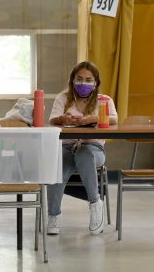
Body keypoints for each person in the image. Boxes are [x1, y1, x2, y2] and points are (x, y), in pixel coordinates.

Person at [47, 61, 118, 235]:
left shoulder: (104, 100)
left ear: (95, 82)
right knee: (57, 168)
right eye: (79, 79)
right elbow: (52, 120)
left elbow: (114, 120)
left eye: (88, 80)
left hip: (93, 149)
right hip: (67, 148)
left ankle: (95, 205)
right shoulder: (63, 98)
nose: (83, 83)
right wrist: (63, 119)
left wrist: (92, 119)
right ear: (72, 80)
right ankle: (53, 215)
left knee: (85, 154)